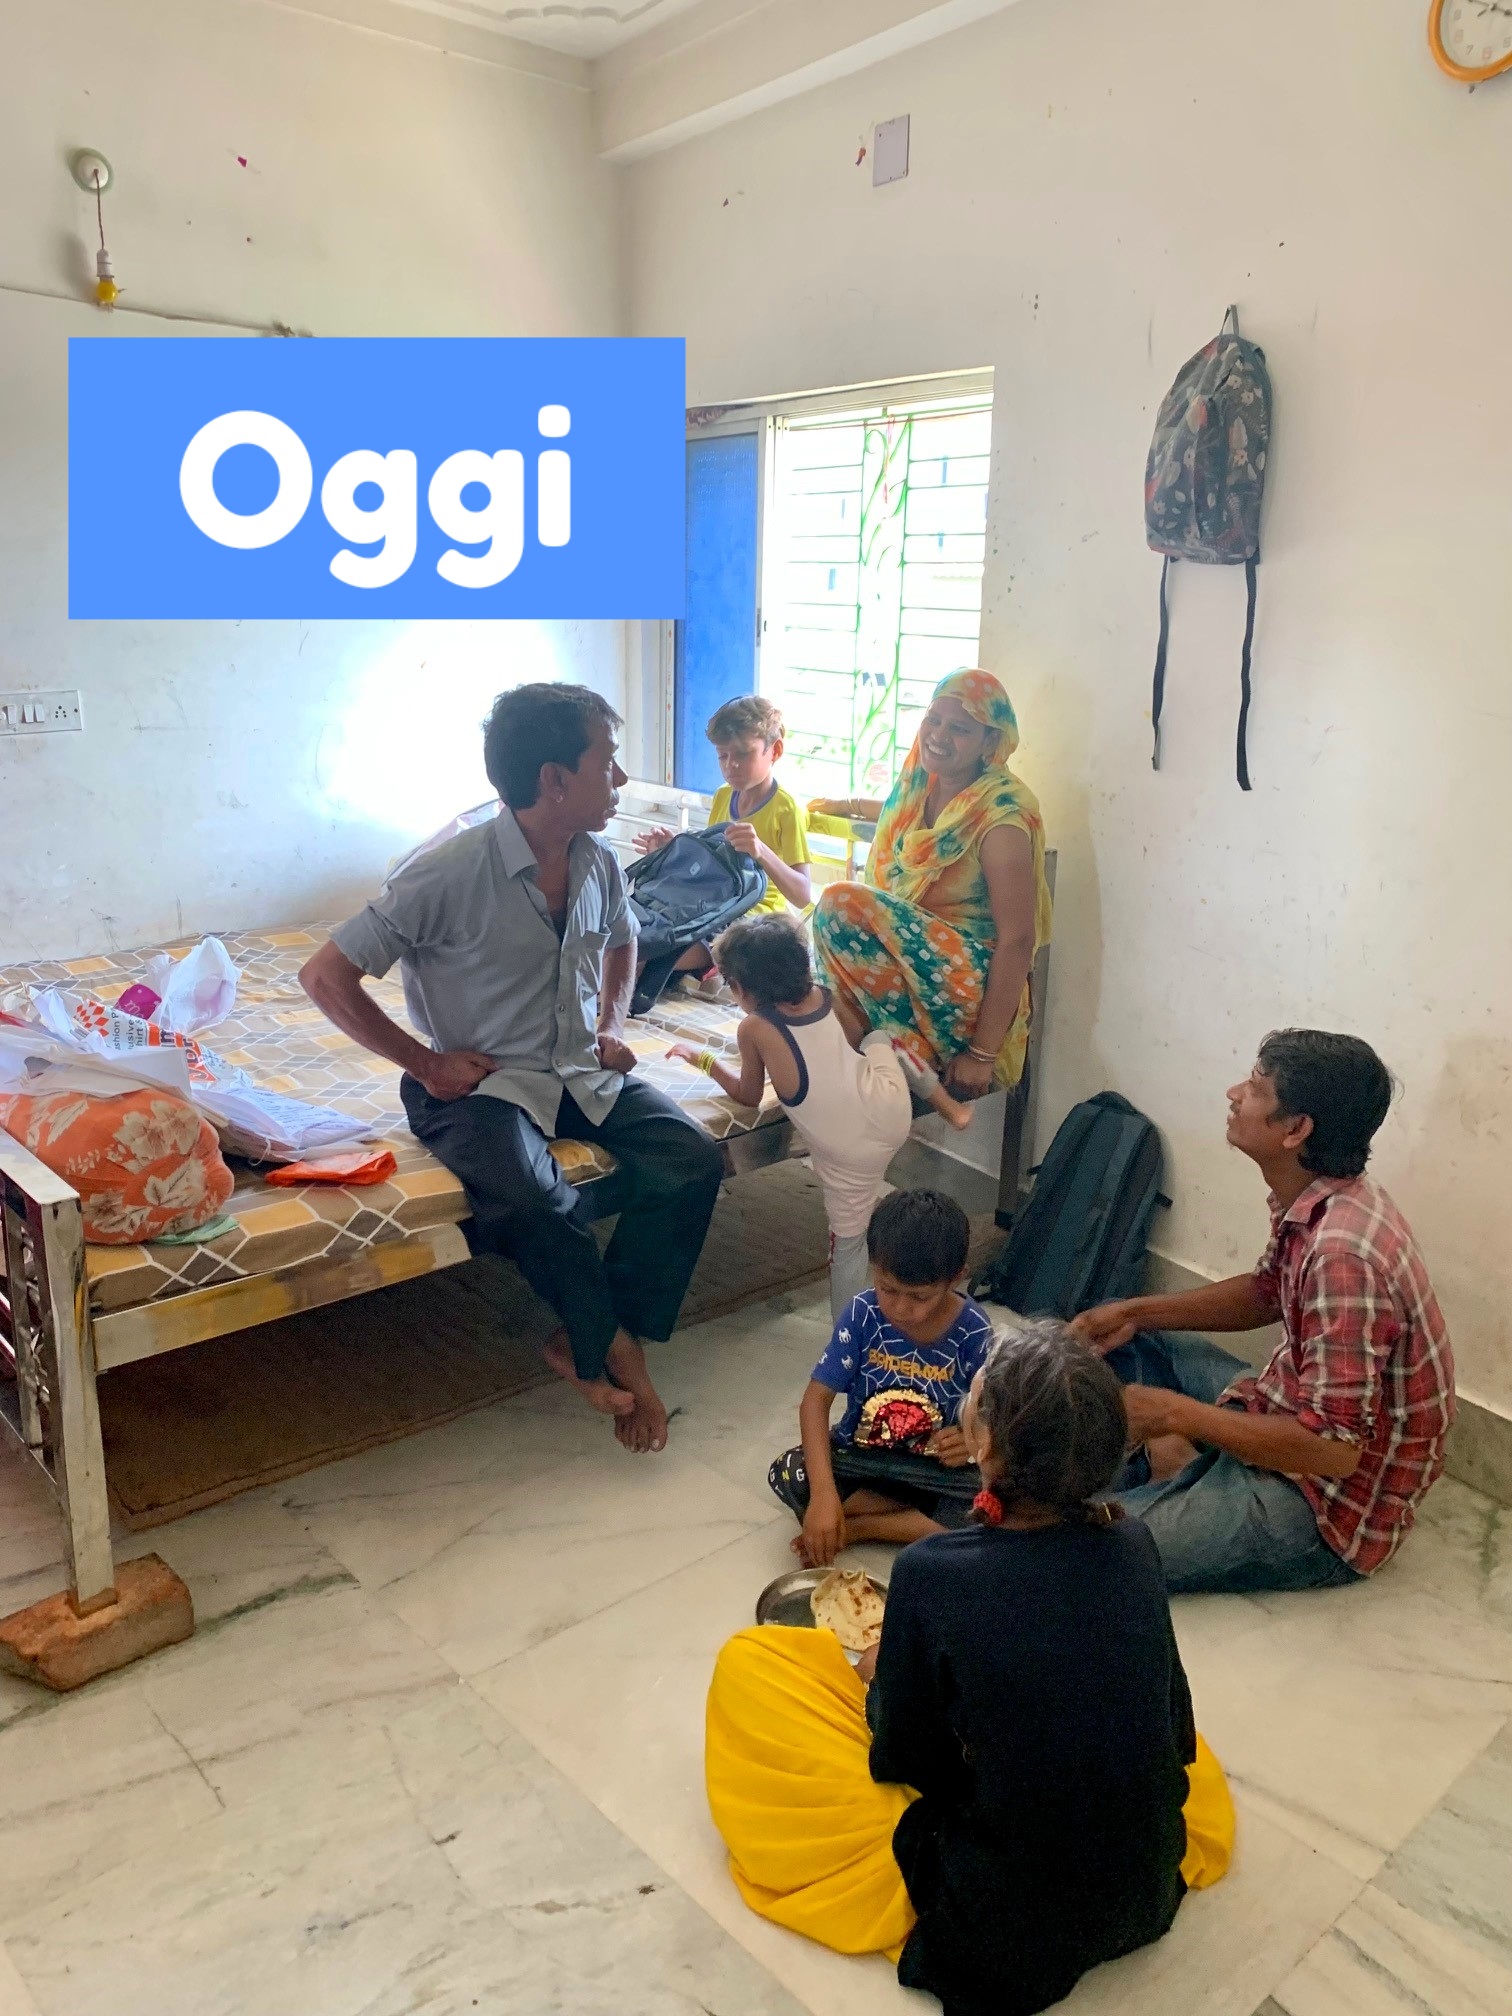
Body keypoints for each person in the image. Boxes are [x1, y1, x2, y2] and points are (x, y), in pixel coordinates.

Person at [705, 1322, 1234, 2016]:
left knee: (750, 1664)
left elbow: (909, 1761)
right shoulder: (1133, 1541)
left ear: (987, 1448)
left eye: (977, 1400)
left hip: (999, 1934)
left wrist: (881, 1673)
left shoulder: (931, 1572)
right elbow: (1175, 1727)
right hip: (1144, 1891)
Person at [299, 683, 724, 1454]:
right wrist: (424, 1062)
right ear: (554, 779)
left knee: (693, 1158)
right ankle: (610, 1350)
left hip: (578, 1069)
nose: (621, 778)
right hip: (477, 1088)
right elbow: (325, 976)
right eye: (607, 761)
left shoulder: (598, 861)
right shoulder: (446, 873)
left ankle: (599, 1327)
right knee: (535, 1198)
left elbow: (625, 940)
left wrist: (610, 1023)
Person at [1073, 1030, 1456, 1593]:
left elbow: (1333, 1452)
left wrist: (1178, 1414)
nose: (1234, 1094)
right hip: (1279, 1403)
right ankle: (1182, 1465)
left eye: (1254, 1089)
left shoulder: (1344, 1255)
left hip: (1322, 1505)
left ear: (1296, 1130)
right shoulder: (1315, 1195)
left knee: (1078, 1553)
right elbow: (1267, 1291)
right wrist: (1135, 1312)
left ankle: (1182, 1469)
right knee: (1124, 1334)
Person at [668, 914, 971, 1316]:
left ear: (739, 987)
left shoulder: (753, 1029)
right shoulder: (827, 997)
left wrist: (703, 1060)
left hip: (848, 1154)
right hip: (892, 1111)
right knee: (881, 1039)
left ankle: (846, 1335)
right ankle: (950, 1108)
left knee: (847, 1245)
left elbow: (748, 1096)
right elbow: (856, 1042)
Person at [808, 668, 1051, 1100]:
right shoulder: (917, 788)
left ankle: (905, 1052)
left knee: (839, 903)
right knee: (808, 975)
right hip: (918, 971)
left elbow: (1018, 940)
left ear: (989, 743)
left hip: (968, 989)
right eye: (933, 720)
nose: (938, 735)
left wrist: (982, 1054)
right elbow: (900, 813)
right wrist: (847, 803)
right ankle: (892, 1051)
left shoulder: (1001, 819)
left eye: (960, 729)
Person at [766, 1189, 996, 1559]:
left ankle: (861, 1525)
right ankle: (890, 1516)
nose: (900, 1308)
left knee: (996, 1500)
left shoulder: (973, 1331)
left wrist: (971, 1440)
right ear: (872, 1266)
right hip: (861, 1459)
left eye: (918, 1297)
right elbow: (815, 1401)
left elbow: (993, 1414)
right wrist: (823, 1494)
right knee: (789, 1472)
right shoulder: (862, 1314)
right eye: (887, 1289)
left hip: (931, 1470)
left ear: (955, 1278)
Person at [634, 694, 813, 988]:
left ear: (775, 750)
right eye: (722, 756)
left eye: (743, 754)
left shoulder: (786, 808)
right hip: (714, 906)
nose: (732, 765)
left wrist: (761, 851)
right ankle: (676, 971)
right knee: (645, 930)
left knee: (655, 949)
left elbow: (802, 895)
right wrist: (672, 851)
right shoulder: (723, 796)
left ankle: (683, 970)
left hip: (754, 916)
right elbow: (711, 868)